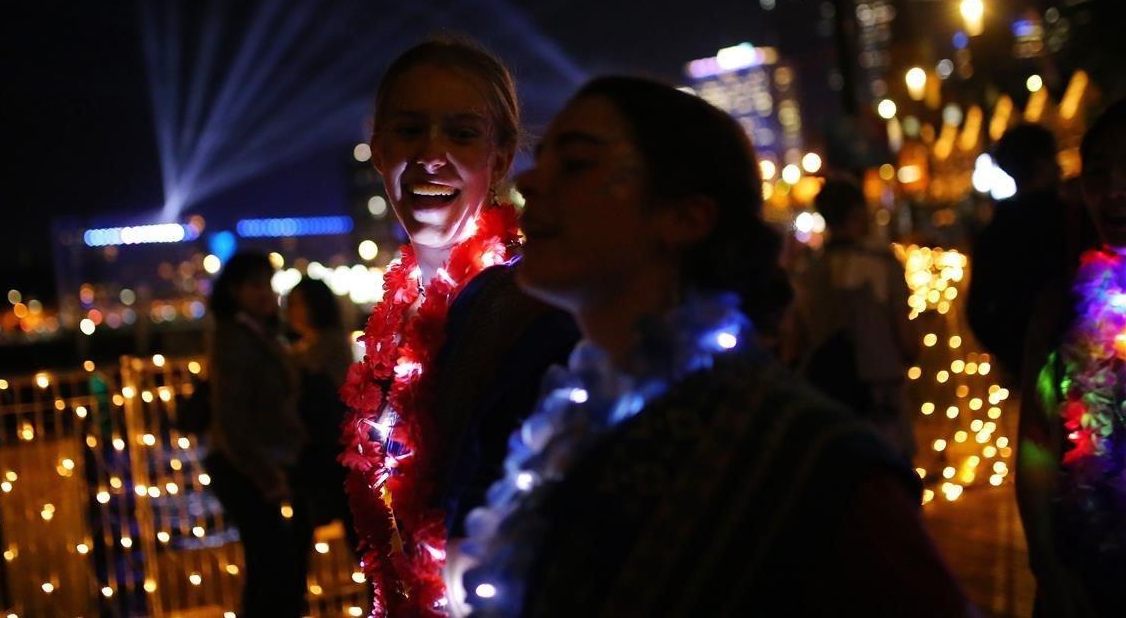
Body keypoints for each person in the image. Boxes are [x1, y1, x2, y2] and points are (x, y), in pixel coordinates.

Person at [451, 77, 972, 617]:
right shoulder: (566, 430)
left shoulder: (803, 461)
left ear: (685, 217)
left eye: (578, 163)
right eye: (541, 160)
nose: (532, 183)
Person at [338, 36, 579, 615]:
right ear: (378, 149)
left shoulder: (534, 314)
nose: (431, 154)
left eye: (462, 134)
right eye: (409, 129)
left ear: (500, 158)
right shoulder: (399, 320)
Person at [1017, 102, 1125, 617]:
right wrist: (1047, 565)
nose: (1114, 191)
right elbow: (1036, 444)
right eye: (1099, 173)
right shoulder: (1062, 307)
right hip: (1089, 578)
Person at [204, 252, 311, 617]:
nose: (265, 292)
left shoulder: (257, 332)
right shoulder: (234, 337)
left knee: (272, 568)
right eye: (254, 285)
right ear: (234, 292)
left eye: (267, 283)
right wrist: (267, 477)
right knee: (276, 570)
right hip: (247, 467)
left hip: (262, 464)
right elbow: (232, 416)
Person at [787, 175, 919, 458]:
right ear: (858, 211)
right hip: (881, 390)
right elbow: (907, 341)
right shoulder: (882, 264)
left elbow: (796, 341)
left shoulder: (809, 271)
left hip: (828, 393)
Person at [968, 123, 1070, 383]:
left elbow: (978, 313)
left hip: (1033, 371)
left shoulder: (996, 233)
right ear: (1041, 163)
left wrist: (1018, 356)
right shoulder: (1070, 220)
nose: (1061, 167)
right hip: (1086, 362)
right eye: (1054, 157)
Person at [286, 278, 354, 544]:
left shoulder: (327, 346)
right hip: (325, 447)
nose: (292, 311)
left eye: (298, 303)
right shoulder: (311, 347)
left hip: (328, 447)